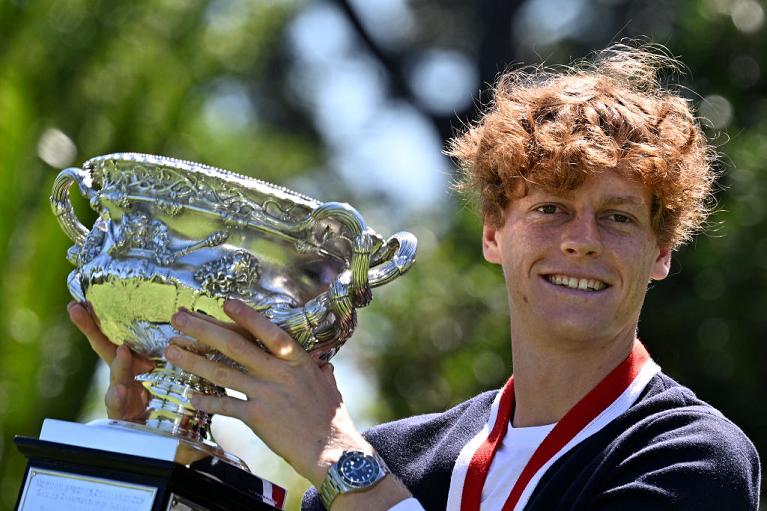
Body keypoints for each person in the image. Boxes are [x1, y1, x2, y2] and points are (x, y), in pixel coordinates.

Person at [69, 44, 761, 510]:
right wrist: (173, 446)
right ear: (493, 233)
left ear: (662, 251)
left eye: (617, 217)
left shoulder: (690, 457)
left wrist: (334, 451)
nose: (580, 241)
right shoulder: (404, 456)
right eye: (550, 208)